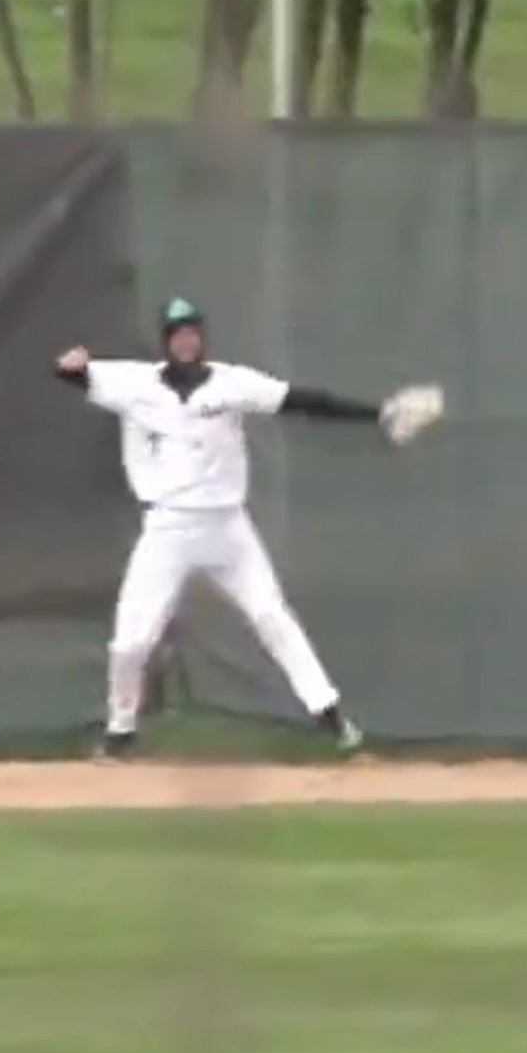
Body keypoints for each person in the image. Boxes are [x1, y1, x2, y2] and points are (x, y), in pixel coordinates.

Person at [57, 296, 442, 758]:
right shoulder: (135, 382)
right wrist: (72, 366)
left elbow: (300, 401)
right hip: (167, 530)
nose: (186, 339)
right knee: (130, 642)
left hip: (227, 528)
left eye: (192, 331)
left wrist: (376, 413)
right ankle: (120, 731)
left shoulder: (231, 382)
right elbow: (78, 375)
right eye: (178, 332)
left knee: (272, 618)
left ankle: (336, 722)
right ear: (166, 340)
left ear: (201, 337)